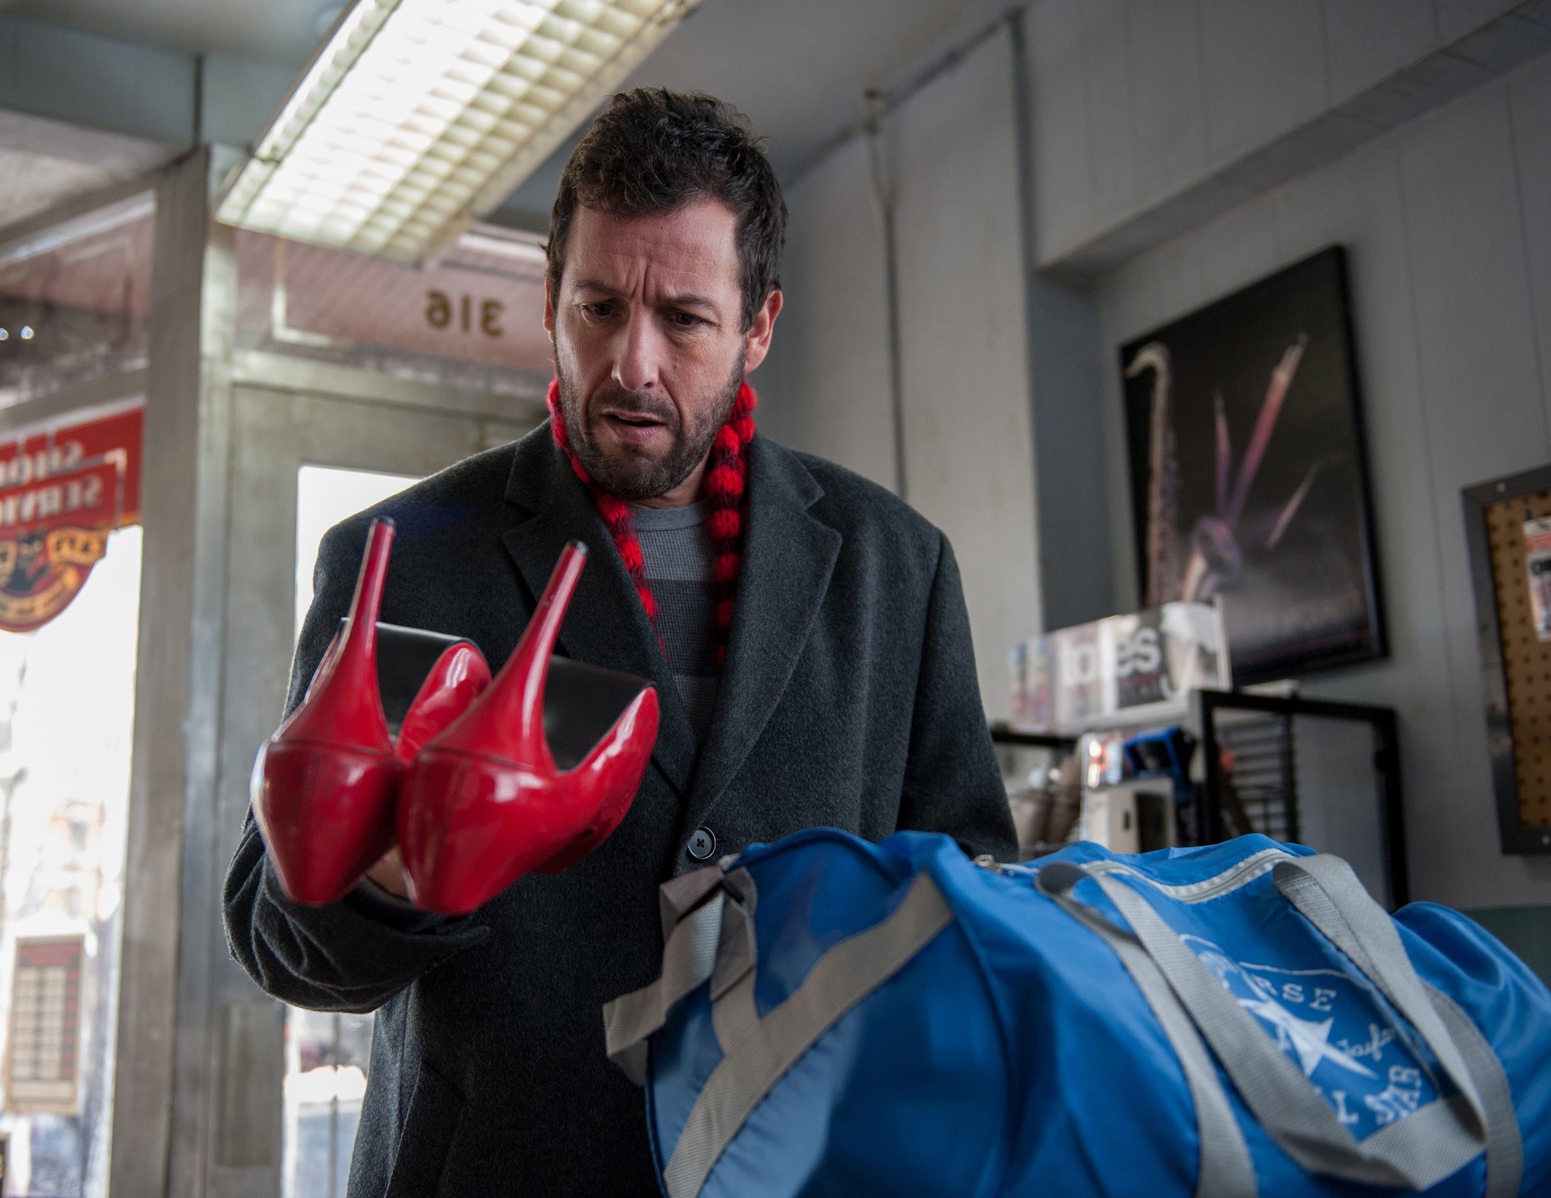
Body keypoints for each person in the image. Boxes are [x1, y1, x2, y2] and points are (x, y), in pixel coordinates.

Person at [223, 88, 1018, 1196]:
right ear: (551, 296)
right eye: (598, 306)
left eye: (685, 320)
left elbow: (977, 897)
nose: (633, 363)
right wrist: (407, 870)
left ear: (759, 326)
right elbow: (283, 944)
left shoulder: (897, 567)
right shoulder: (404, 559)